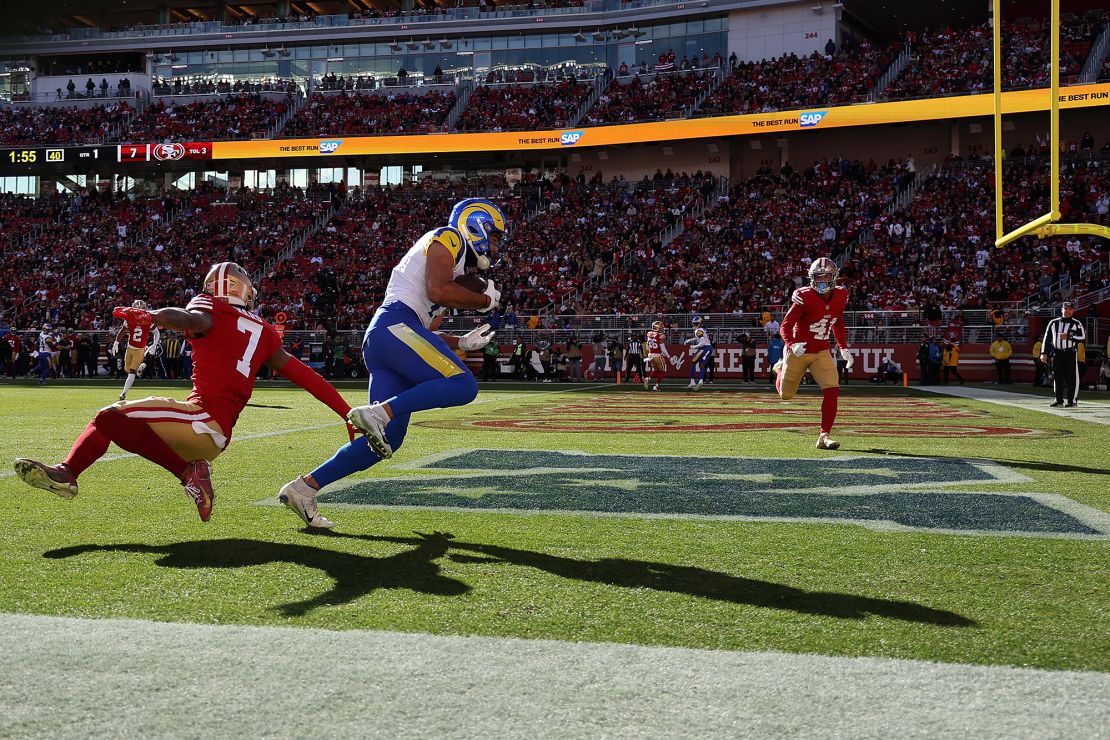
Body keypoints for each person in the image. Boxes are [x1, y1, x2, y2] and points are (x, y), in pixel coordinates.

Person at [14, 262, 355, 523]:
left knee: (107, 417)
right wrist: (346, 412)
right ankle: (68, 475)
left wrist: (153, 317)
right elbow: (307, 376)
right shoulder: (264, 331)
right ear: (245, 291)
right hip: (213, 433)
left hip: (199, 420)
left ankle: (182, 472)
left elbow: (190, 320)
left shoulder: (211, 308)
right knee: (114, 424)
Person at [279, 199, 506, 529]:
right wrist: (485, 300)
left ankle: (305, 488)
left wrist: (462, 343)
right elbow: (438, 290)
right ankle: (380, 412)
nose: (495, 245)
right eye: (495, 236)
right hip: (392, 327)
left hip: (391, 340)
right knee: (463, 385)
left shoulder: (449, 269)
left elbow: (424, 335)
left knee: (386, 442)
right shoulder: (449, 238)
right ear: (476, 225)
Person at [772, 257, 853, 450]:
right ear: (811, 277)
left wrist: (843, 347)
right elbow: (785, 326)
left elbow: (838, 321)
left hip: (820, 349)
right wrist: (791, 344)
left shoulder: (841, 295)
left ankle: (824, 436)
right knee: (786, 396)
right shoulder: (804, 296)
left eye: (826, 276)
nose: (823, 280)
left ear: (834, 277)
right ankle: (780, 368)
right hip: (798, 350)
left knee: (832, 387)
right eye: (819, 276)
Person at [112, 300, 161, 400]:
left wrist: (155, 344)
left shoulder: (148, 321)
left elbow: (156, 333)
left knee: (131, 371)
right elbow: (122, 330)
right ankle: (140, 367)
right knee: (127, 369)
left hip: (140, 349)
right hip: (130, 347)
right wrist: (116, 342)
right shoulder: (129, 319)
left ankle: (123, 393)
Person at [1040, 301, 1085, 407]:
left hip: (1070, 352)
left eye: (1070, 309)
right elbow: (1047, 338)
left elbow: (1082, 337)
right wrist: (1043, 353)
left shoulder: (1076, 323)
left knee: (1072, 377)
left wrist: (1069, 337)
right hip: (1057, 352)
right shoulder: (1053, 323)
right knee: (1057, 376)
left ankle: (1072, 401)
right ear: (1062, 310)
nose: (1068, 311)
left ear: (1073, 310)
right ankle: (1058, 400)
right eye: (1066, 309)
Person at [683, 317, 712, 389]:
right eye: (694, 323)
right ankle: (701, 381)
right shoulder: (701, 330)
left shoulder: (699, 330)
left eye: (696, 323)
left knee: (693, 362)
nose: (694, 324)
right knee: (702, 365)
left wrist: (694, 347)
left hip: (704, 348)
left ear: (700, 324)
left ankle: (692, 382)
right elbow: (698, 338)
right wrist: (689, 340)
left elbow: (703, 342)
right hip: (709, 348)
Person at [644, 320, 670, 391]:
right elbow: (663, 348)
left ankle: (648, 378)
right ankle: (656, 386)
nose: (662, 328)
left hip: (650, 355)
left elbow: (647, 346)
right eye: (661, 327)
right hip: (657, 355)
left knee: (656, 369)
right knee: (662, 370)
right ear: (657, 327)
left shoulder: (649, 333)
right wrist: (668, 357)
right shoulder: (660, 335)